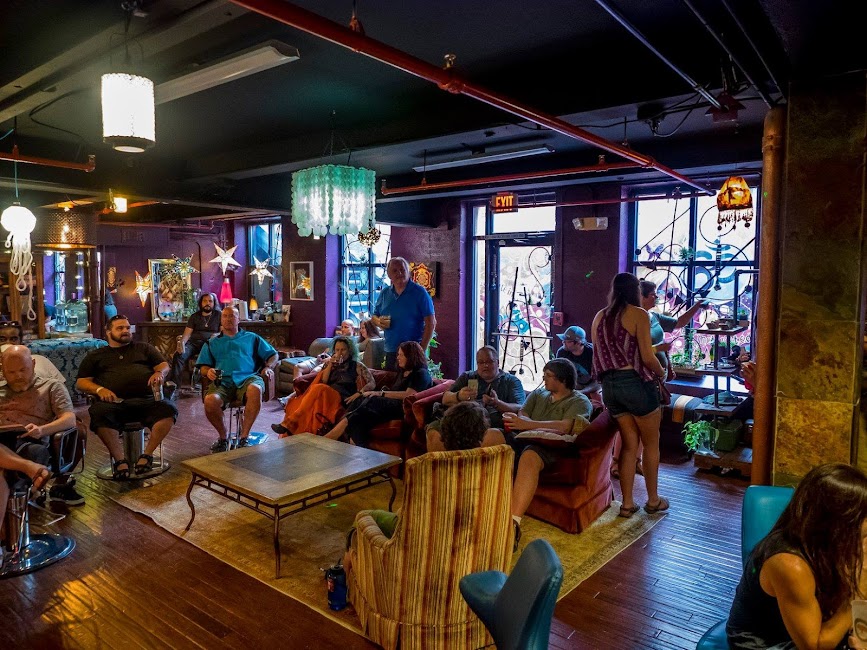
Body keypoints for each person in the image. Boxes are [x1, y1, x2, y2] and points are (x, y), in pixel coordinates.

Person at [727, 463, 867, 650]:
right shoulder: (790, 565)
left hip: (814, 624)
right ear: (837, 522)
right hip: (767, 644)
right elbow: (814, 647)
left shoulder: (831, 542)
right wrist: (857, 594)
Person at [342, 400, 493, 575]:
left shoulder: (423, 469)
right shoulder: (491, 466)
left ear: (444, 436)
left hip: (423, 536)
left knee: (363, 517)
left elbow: (408, 517)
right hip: (469, 541)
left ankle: (347, 570)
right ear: (482, 436)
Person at [591, 273, 667, 519]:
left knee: (628, 445)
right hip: (636, 385)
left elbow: (598, 354)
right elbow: (647, 357)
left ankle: (627, 504)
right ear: (635, 290)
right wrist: (662, 372)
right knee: (651, 443)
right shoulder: (638, 314)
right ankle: (653, 500)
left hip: (610, 389)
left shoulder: (599, 316)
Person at [76, 315, 178, 479]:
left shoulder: (143, 348)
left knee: (168, 409)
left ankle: (147, 455)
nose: (125, 331)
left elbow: (164, 365)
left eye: (127, 327)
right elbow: (81, 382)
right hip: (114, 403)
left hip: (147, 400)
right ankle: (119, 460)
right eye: (120, 328)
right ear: (108, 332)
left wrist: (159, 373)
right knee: (99, 413)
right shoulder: (96, 355)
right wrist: (99, 389)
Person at [506, 358, 593, 548]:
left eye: (548, 376)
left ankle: (512, 525)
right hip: (523, 438)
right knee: (493, 436)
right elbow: (523, 413)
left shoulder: (580, 401)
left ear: (563, 379)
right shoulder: (538, 394)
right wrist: (524, 424)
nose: (543, 379)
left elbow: (566, 426)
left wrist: (529, 425)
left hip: (551, 448)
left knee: (530, 455)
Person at [0, 345, 82, 505]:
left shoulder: (51, 387)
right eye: (11, 372)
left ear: (33, 364)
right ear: (3, 370)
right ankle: (31, 468)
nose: (18, 376)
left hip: (30, 442)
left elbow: (69, 419)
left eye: (23, 370)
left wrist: (42, 430)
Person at [196, 307, 278, 452]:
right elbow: (202, 366)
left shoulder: (252, 338)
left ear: (238, 319)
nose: (228, 319)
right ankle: (223, 437)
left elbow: (273, 354)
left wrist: (268, 367)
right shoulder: (212, 342)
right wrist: (208, 371)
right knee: (210, 400)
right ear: (221, 320)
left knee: (255, 389)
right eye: (225, 316)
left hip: (248, 378)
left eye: (232, 316)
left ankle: (244, 437)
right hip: (222, 381)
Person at [324, 341, 432, 447]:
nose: (398, 357)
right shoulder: (403, 372)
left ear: (411, 356)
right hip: (389, 405)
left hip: (402, 407)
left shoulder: (420, 373)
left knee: (370, 400)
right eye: (398, 354)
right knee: (359, 411)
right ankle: (355, 446)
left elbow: (409, 395)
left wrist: (381, 393)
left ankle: (331, 437)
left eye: (401, 355)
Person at [426, 345, 525, 452]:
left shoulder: (511, 381)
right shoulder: (467, 377)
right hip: (461, 421)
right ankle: (445, 462)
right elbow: (445, 399)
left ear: (497, 362)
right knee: (434, 429)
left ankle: (473, 462)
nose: (485, 365)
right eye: (481, 362)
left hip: (491, 424)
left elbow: (520, 408)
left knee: (491, 434)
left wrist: (497, 403)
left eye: (489, 361)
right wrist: (458, 396)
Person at [271, 336, 375, 436]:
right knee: (317, 389)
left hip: (342, 398)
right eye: (337, 350)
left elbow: (372, 382)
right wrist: (330, 365)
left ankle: (291, 422)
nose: (340, 353)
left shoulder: (357, 365)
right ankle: (294, 426)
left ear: (350, 351)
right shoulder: (329, 364)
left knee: (318, 388)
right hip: (325, 396)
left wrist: (359, 393)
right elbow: (324, 381)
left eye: (343, 350)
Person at [372, 257, 436, 370]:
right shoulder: (385, 293)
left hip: (413, 352)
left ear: (408, 272)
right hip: (391, 351)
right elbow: (374, 316)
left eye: (402, 269)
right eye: (395, 271)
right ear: (389, 275)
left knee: (414, 382)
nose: (399, 273)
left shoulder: (420, 293)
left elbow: (431, 323)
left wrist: (421, 349)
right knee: (392, 381)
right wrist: (378, 321)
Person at [639, 280, 707, 376]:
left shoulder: (654, 316)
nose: (657, 297)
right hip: (647, 375)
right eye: (652, 294)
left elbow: (679, 323)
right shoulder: (636, 321)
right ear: (642, 297)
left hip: (660, 375)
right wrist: (657, 349)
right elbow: (638, 351)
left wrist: (697, 306)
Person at [168, 292, 220, 387]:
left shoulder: (219, 315)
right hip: (194, 344)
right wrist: (181, 344)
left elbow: (222, 332)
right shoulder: (194, 316)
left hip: (210, 344)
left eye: (210, 301)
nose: (207, 303)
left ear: (214, 303)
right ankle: (175, 386)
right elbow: (187, 334)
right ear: (201, 303)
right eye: (205, 301)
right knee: (178, 355)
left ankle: (213, 384)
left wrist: (216, 335)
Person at [0, 321, 66, 385]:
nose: (8, 343)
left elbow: (61, 387)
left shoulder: (41, 360)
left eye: (13, 339)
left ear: (20, 341)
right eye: (2, 340)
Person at [555, 325, 601, 397]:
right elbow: (559, 375)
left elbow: (599, 381)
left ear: (578, 343)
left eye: (567, 341)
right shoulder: (562, 352)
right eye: (563, 339)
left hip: (592, 386)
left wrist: (582, 392)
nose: (563, 342)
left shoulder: (593, 352)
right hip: (574, 385)